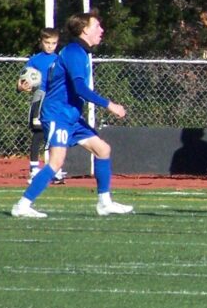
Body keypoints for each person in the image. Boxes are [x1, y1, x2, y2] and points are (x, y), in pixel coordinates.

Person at [11, 11, 131, 218]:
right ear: (85, 30)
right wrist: (109, 104)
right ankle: (22, 205)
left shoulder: (78, 52)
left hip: (70, 116)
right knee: (56, 162)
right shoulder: (75, 52)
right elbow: (79, 88)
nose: (101, 30)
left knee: (103, 149)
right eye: (97, 27)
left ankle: (104, 203)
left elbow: (55, 82)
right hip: (58, 115)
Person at [17, 28, 62, 184]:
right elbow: (23, 80)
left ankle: (54, 169)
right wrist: (22, 87)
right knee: (38, 131)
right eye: (47, 43)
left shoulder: (60, 59)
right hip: (40, 96)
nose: (50, 46)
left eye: (53, 43)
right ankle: (34, 169)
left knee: (54, 133)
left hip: (55, 99)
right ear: (41, 42)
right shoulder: (35, 60)